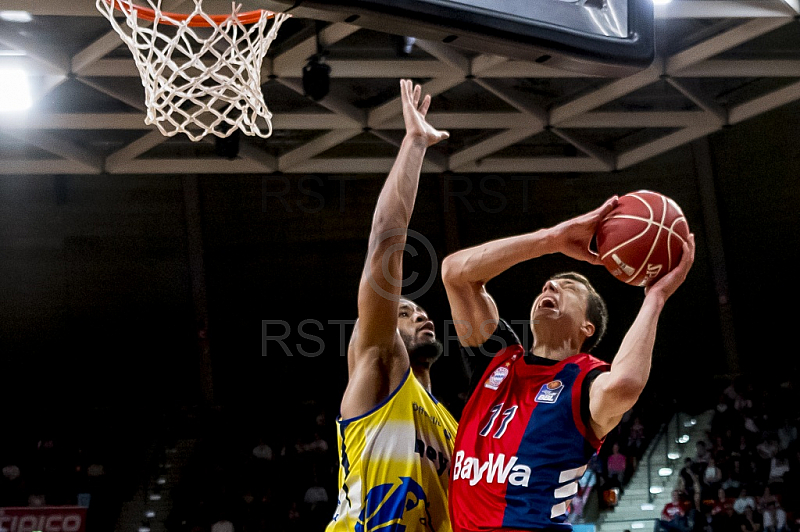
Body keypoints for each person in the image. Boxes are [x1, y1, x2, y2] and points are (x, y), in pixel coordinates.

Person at [442, 197, 695, 532]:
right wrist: (551, 240)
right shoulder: (497, 356)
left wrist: (655, 298)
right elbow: (455, 274)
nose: (550, 285)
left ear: (587, 327)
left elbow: (624, 385)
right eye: (548, 285)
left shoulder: (587, 379)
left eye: (569, 287)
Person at [325, 79, 456, 532]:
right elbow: (387, 240)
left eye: (420, 310)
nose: (420, 313)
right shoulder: (378, 360)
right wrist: (415, 144)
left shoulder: (452, 428)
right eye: (404, 311)